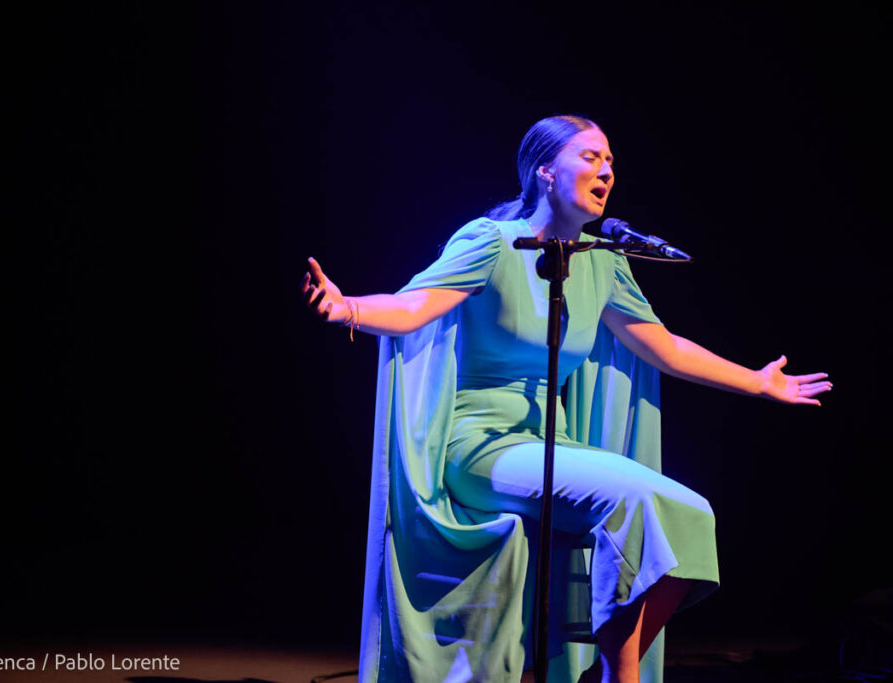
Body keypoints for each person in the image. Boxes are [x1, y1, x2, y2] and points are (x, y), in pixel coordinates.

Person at [300, 115, 831, 683]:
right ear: (545, 170)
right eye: (591, 158)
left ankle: (607, 671)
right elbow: (414, 307)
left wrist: (757, 380)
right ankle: (618, 678)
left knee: (691, 514)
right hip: (477, 447)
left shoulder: (604, 260)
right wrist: (347, 307)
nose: (606, 171)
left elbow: (666, 347)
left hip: (548, 444)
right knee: (638, 500)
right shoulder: (491, 243)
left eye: (611, 163)